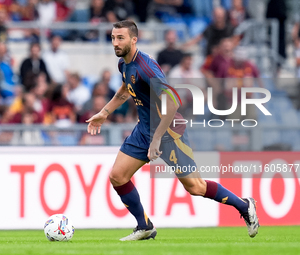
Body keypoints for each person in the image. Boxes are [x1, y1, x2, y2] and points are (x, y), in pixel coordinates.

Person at [86, 20, 259, 241]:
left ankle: (245, 206)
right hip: (144, 130)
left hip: (169, 132)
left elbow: (173, 102)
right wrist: (104, 112)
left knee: (195, 187)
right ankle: (144, 226)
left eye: (120, 38)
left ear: (134, 39)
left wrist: (157, 139)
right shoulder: (124, 64)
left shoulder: (147, 67)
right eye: (113, 37)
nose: (115, 42)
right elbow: (125, 89)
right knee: (118, 177)